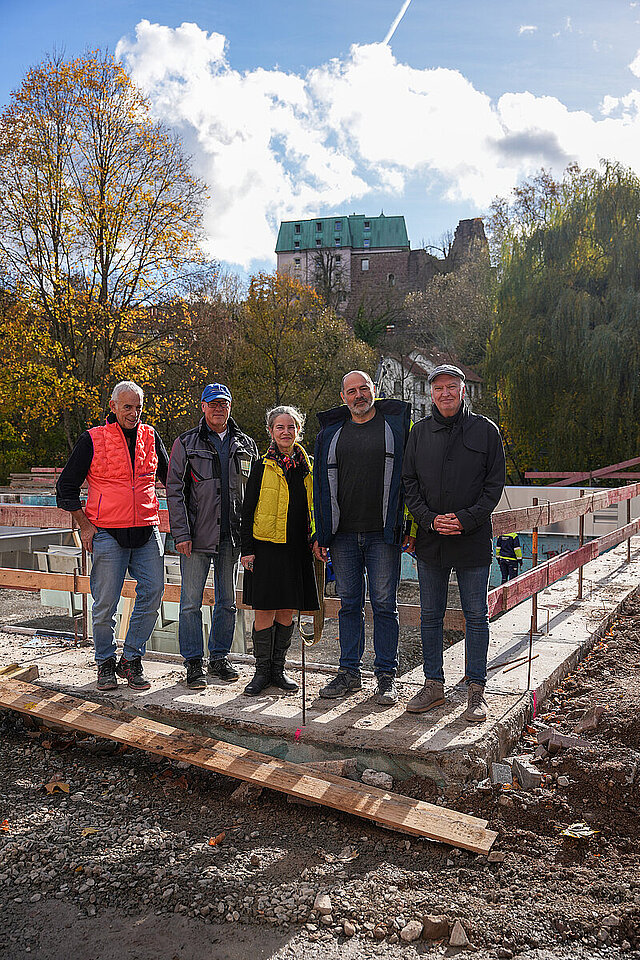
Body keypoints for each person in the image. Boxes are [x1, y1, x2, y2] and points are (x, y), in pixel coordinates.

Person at [402, 364, 506, 722]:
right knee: (430, 616)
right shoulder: (419, 433)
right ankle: (433, 685)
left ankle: (476, 689)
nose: (445, 393)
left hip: (472, 539)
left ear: (464, 391)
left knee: (476, 615)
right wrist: (429, 519)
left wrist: (466, 518)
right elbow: (409, 483)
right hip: (432, 541)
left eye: (452, 387)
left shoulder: (486, 431)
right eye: (439, 387)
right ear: (431, 393)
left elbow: (494, 486)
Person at [56, 381, 169, 692]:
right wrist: (85, 524)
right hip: (106, 532)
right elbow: (65, 488)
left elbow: (171, 478)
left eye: (138, 408)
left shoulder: (150, 436)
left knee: (153, 593)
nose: (133, 413)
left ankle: (131, 659)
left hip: (147, 531)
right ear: (113, 406)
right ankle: (105, 661)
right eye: (127, 407)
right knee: (106, 603)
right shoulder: (92, 439)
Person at [313, 370, 414, 705]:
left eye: (364, 389)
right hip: (342, 537)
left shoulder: (395, 427)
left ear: (375, 391)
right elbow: (320, 487)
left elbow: (410, 478)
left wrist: (409, 526)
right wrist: (323, 532)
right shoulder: (332, 432)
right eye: (351, 391)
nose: (358, 395)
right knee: (349, 606)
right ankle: (349, 673)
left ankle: (386, 677)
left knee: (385, 606)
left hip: (382, 534)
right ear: (343, 397)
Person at [166, 384, 258, 689]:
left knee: (228, 602)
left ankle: (219, 658)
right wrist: (181, 533)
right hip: (196, 537)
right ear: (202, 407)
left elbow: (254, 495)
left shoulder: (246, 444)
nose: (219, 409)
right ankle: (194, 662)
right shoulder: (186, 443)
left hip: (231, 537)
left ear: (230, 407)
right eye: (213, 404)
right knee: (190, 602)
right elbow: (175, 491)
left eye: (224, 404)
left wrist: (249, 539)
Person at [240, 406, 323, 696]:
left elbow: (316, 506)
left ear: (298, 431)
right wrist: (247, 549)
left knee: (287, 608)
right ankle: (261, 672)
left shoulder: (308, 466)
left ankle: (278, 669)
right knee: (265, 609)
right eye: (280, 427)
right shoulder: (261, 466)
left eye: (291, 427)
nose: (286, 432)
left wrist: (317, 536)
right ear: (271, 432)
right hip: (265, 547)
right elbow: (247, 509)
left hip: (296, 548)